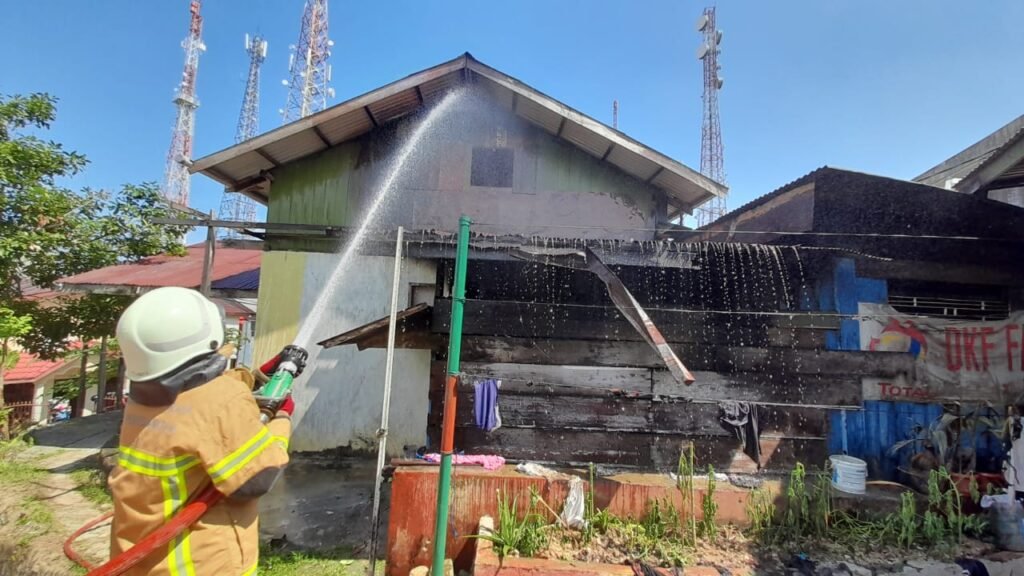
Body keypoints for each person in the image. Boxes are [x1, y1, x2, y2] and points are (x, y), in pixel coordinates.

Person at [109, 287, 299, 576]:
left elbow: (200, 392)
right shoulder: (220, 402)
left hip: (138, 561)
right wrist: (280, 415)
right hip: (197, 565)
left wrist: (256, 376)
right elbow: (257, 478)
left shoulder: (143, 401)